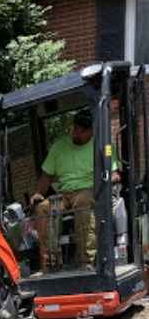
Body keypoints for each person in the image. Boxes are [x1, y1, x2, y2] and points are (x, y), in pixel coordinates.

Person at [30, 108, 119, 272]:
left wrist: (110, 178)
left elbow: (114, 173)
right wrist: (38, 193)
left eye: (82, 131)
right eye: (75, 129)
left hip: (89, 190)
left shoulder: (103, 145)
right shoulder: (59, 147)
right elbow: (46, 176)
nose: (77, 134)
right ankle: (50, 265)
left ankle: (85, 262)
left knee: (85, 203)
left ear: (92, 130)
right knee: (43, 208)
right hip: (64, 194)